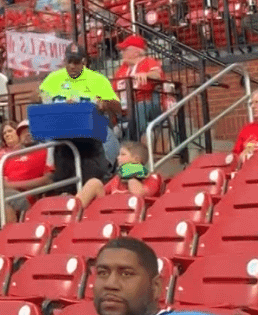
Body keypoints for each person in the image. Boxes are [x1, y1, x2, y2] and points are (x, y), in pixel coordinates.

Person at [38, 49, 120, 189]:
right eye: (69, 62)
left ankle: (105, 171)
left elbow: (118, 107)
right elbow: (37, 96)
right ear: (64, 62)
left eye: (76, 62)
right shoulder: (54, 78)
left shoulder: (97, 79)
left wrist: (104, 103)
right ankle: (51, 169)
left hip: (93, 129)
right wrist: (44, 97)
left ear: (84, 62)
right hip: (64, 130)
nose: (72, 66)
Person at [111, 36, 164, 142]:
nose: (122, 53)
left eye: (125, 50)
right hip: (125, 109)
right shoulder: (122, 68)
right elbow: (113, 89)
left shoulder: (148, 62)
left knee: (139, 107)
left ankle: (131, 144)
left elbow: (157, 75)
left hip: (147, 106)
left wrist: (147, 74)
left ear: (136, 52)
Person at [77, 141, 159, 209]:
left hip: (130, 216)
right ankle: (74, 209)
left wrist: (132, 176)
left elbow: (139, 195)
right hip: (108, 211)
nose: (118, 158)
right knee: (94, 183)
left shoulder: (152, 179)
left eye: (123, 154)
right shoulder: (117, 178)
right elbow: (102, 191)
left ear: (136, 159)